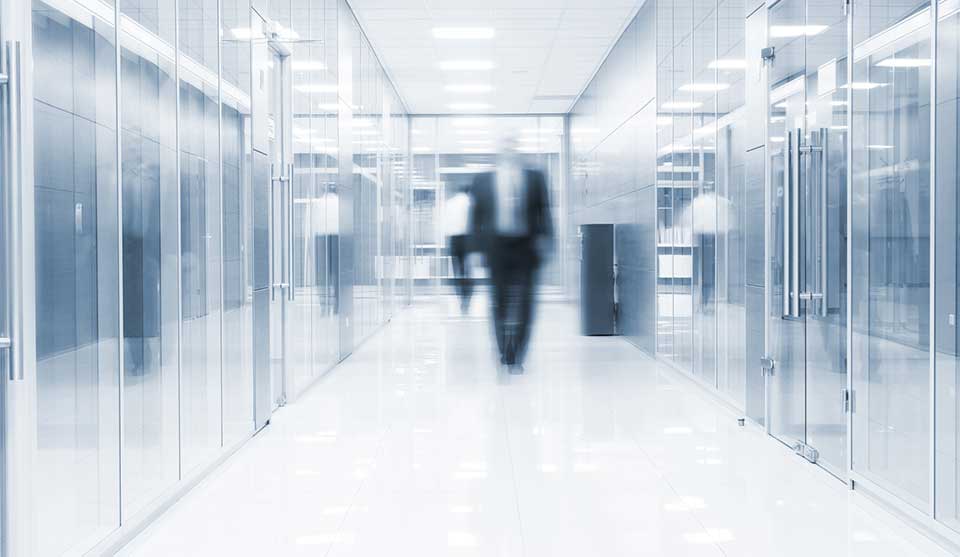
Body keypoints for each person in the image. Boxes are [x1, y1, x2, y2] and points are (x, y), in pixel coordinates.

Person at [470, 137, 553, 373]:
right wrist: (475, 250)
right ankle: (503, 350)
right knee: (498, 300)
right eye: (504, 146)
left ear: (518, 150)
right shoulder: (483, 179)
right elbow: (475, 218)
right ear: (499, 152)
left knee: (526, 301)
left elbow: (544, 212)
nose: (509, 150)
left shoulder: (535, 177)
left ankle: (518, 352)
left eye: (512, 145)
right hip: (496, 247)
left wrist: (547, 241)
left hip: (525, 246)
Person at [444, 184, 474, 313]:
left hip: (454, 239)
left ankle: (460, 295)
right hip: (468, 238)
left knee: (457, 269)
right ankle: (466, 297)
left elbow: (445, 224)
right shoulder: (470, 203)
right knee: (467, 269)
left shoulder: (449, 203)